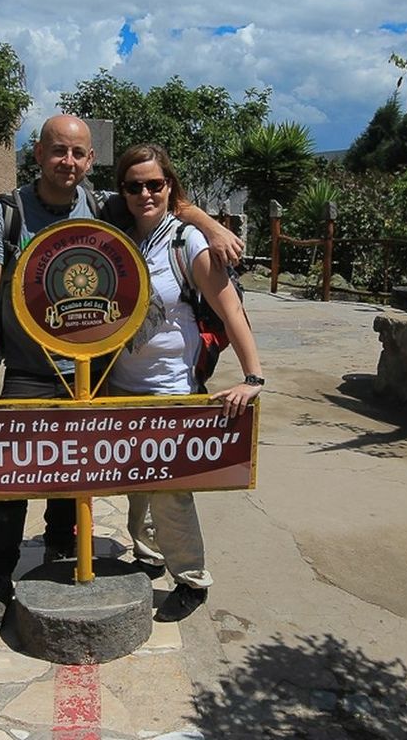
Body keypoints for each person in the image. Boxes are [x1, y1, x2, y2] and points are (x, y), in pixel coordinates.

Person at [0, 114, 244, 635]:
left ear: (89, 160)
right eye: (57, 151)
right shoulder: (4, 215)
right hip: (30, 366)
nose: (67, 162)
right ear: (39, 153)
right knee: (10, 475)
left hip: (96, 368)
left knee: (75, 470)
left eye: (78, 154)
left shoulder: (102, 205)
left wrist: (208, 224)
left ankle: (60, 545)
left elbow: (159, 193)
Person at [111, 143, 264, 622]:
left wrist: (253, 376)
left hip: (170, 387)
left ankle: (192, 579)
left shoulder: (186, 242)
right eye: (134, 186)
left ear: (170, 186)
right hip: (121, 385)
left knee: (170, 487)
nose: (144, 193)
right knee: (134, 478)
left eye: (155, 184)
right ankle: (148, 553)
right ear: (123, 191)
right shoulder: (117, 236)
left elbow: (229, 308)